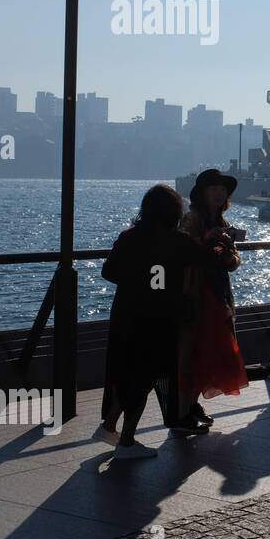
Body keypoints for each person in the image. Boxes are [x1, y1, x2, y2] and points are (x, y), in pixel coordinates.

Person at [97, 184, 204, 459]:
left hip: (126, 315)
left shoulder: (129, 237)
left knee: (128, 374)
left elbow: (108, 272)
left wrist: (137, 280)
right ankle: (127, 442)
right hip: (160, 318)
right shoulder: (179, 242)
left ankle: (110, 426)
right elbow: (207, 261)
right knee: (145, 378)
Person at [180, 168, 249, 432]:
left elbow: (233, 262)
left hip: (218, 292)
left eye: (223, 189)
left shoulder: (222, 222)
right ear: (203, 193)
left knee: (211, 350)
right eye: (214, 188)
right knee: (203, 350)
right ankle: (184, 409)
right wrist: (205, 241)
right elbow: (184, 251)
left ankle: (190, 405)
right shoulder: (193, 218)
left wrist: (229, 252)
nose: (220, 193)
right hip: (199, 293)